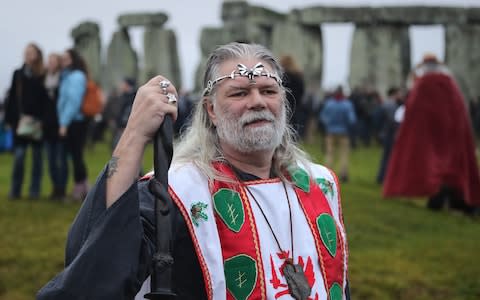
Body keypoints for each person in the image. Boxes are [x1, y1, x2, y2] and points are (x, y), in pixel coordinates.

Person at [38, 43, 349, 299]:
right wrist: (133, 136)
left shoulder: (320, 185)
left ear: (284, 100)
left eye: (268, 91)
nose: (257, 102)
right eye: (239, 93)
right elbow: (96, 267)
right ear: (211, 110)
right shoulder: (180, 192)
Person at [383, 54, 480, 215]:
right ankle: (456, 201)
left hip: (428, 137)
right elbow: (459, 113)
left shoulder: (422, 84)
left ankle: (440, 199)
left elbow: (413, 112)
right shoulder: (451, 85)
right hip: (452, 136)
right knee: (453, 168)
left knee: (431, 167)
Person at [4, 43, 48, 200]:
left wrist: (43, 119)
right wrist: (10, 120)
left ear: (37, 55)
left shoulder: (43, 74)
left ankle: (34, 191)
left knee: (37, 159)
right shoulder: (18, 73)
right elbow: (12, 98)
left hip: (37, 122)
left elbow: (46, 101)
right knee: (19, 157)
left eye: (31, 52)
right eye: (26, 52)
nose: (27, 55)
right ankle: (15, 191)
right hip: (20, 122)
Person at [57, 48, 89, 200]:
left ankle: (80, 187)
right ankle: (83, 187)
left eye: (66, 58)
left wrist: (64, 123)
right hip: (71, 121)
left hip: (75, 122)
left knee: (76, 156)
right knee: (75, 155)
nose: (63, 61)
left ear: (73, 59)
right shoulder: (67, 76)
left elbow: (73, 102)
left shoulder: (76, 77)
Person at [320, 86, 357, 183]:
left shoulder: (329, 103)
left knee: (329, 153)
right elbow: (352, 120)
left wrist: (329, 124)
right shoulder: (347, 104)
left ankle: (327, 173)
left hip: (330, 131)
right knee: (343, 154)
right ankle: (343, 174)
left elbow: (323, 117)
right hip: (343, 132)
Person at [43, 53, 67, 200]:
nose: (51, 64)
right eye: (49, 61)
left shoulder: (63, 79)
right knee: (51, 161)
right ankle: (55, 188)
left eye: (53, 61)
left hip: (60, 124)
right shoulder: (44, 79)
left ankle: (62, 189)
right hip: (47, 125)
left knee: (61, 159)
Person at [376, 87, 404, 184]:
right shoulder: (391, 105)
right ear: (394, 94)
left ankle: (381, 177)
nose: (401, 96)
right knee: (388, 157)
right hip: (389, 134)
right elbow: (393, 121)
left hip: (385, 133)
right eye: (399, 93)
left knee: (386, 157)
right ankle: (384, 177)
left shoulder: (385, 104)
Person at [280, 55, 306, 139]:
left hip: (283, 104)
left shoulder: (281, 76)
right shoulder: (299, 77)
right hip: (295, 106)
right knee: (293, 128)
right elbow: (302, 92)